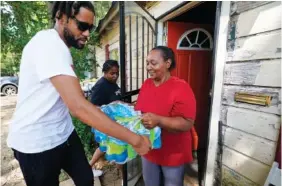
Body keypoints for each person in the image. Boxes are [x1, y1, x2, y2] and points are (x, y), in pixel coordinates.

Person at [6, 2, 151, 186]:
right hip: (36, 143)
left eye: (90, 28)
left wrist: (105, 109)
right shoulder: (49, 44)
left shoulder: (61, 48)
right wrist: (135, 139)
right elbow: (78, 107)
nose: (87, 34)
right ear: (61, 17)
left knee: (85, 179)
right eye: (82, 26)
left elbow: (71, 99)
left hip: (63, 132)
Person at [135, 46, 196, 186]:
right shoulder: (147, 84)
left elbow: (187, 123)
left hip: (173, 152)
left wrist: (159, 120)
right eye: (147, 63)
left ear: (167, 63)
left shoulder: (181, 87)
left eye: (153, 63)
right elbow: (140, 110)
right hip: (149, 149)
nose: (149, 67)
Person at [89, 59, 121, 176]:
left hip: (113, 120)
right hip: (104, 121)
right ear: (105, 72)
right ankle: (123, 175)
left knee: (106, 146)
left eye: (117, 73)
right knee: (113, 146)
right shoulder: (101, 85)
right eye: (112, 73)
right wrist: (109, 107)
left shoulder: (112, 83)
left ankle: (89, 167)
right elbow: (92, 106)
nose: (115, 76)